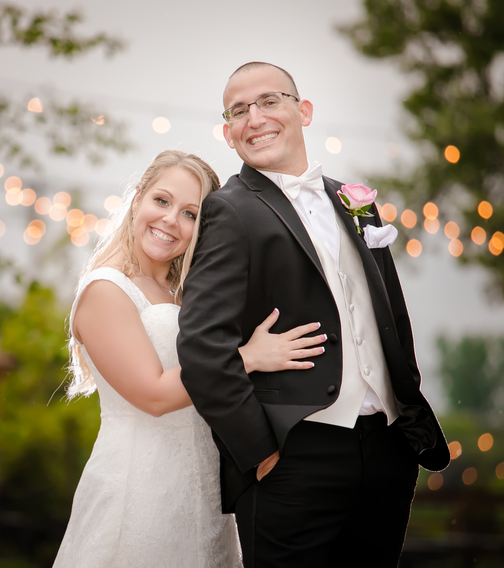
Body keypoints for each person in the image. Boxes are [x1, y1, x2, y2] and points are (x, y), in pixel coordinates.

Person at [177, 62, 451, 567]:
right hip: (294, 457)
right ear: (228, 132)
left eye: (269, 101)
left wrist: (405, 418)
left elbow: (391, 313)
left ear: (302, 111)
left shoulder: (355, 201)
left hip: (387, 450)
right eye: (239, 110)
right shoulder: (230, 210)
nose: (254, 117)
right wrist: (260, 451)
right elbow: (199, 348)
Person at [54, 150, 325, 568]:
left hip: (204, 496)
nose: (170, 221)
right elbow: (155, 396)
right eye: (161, 201)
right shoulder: (107, 290)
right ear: (138, 197)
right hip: (138, 491)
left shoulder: (189, 297)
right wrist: (247, 357)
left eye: (190, 214)